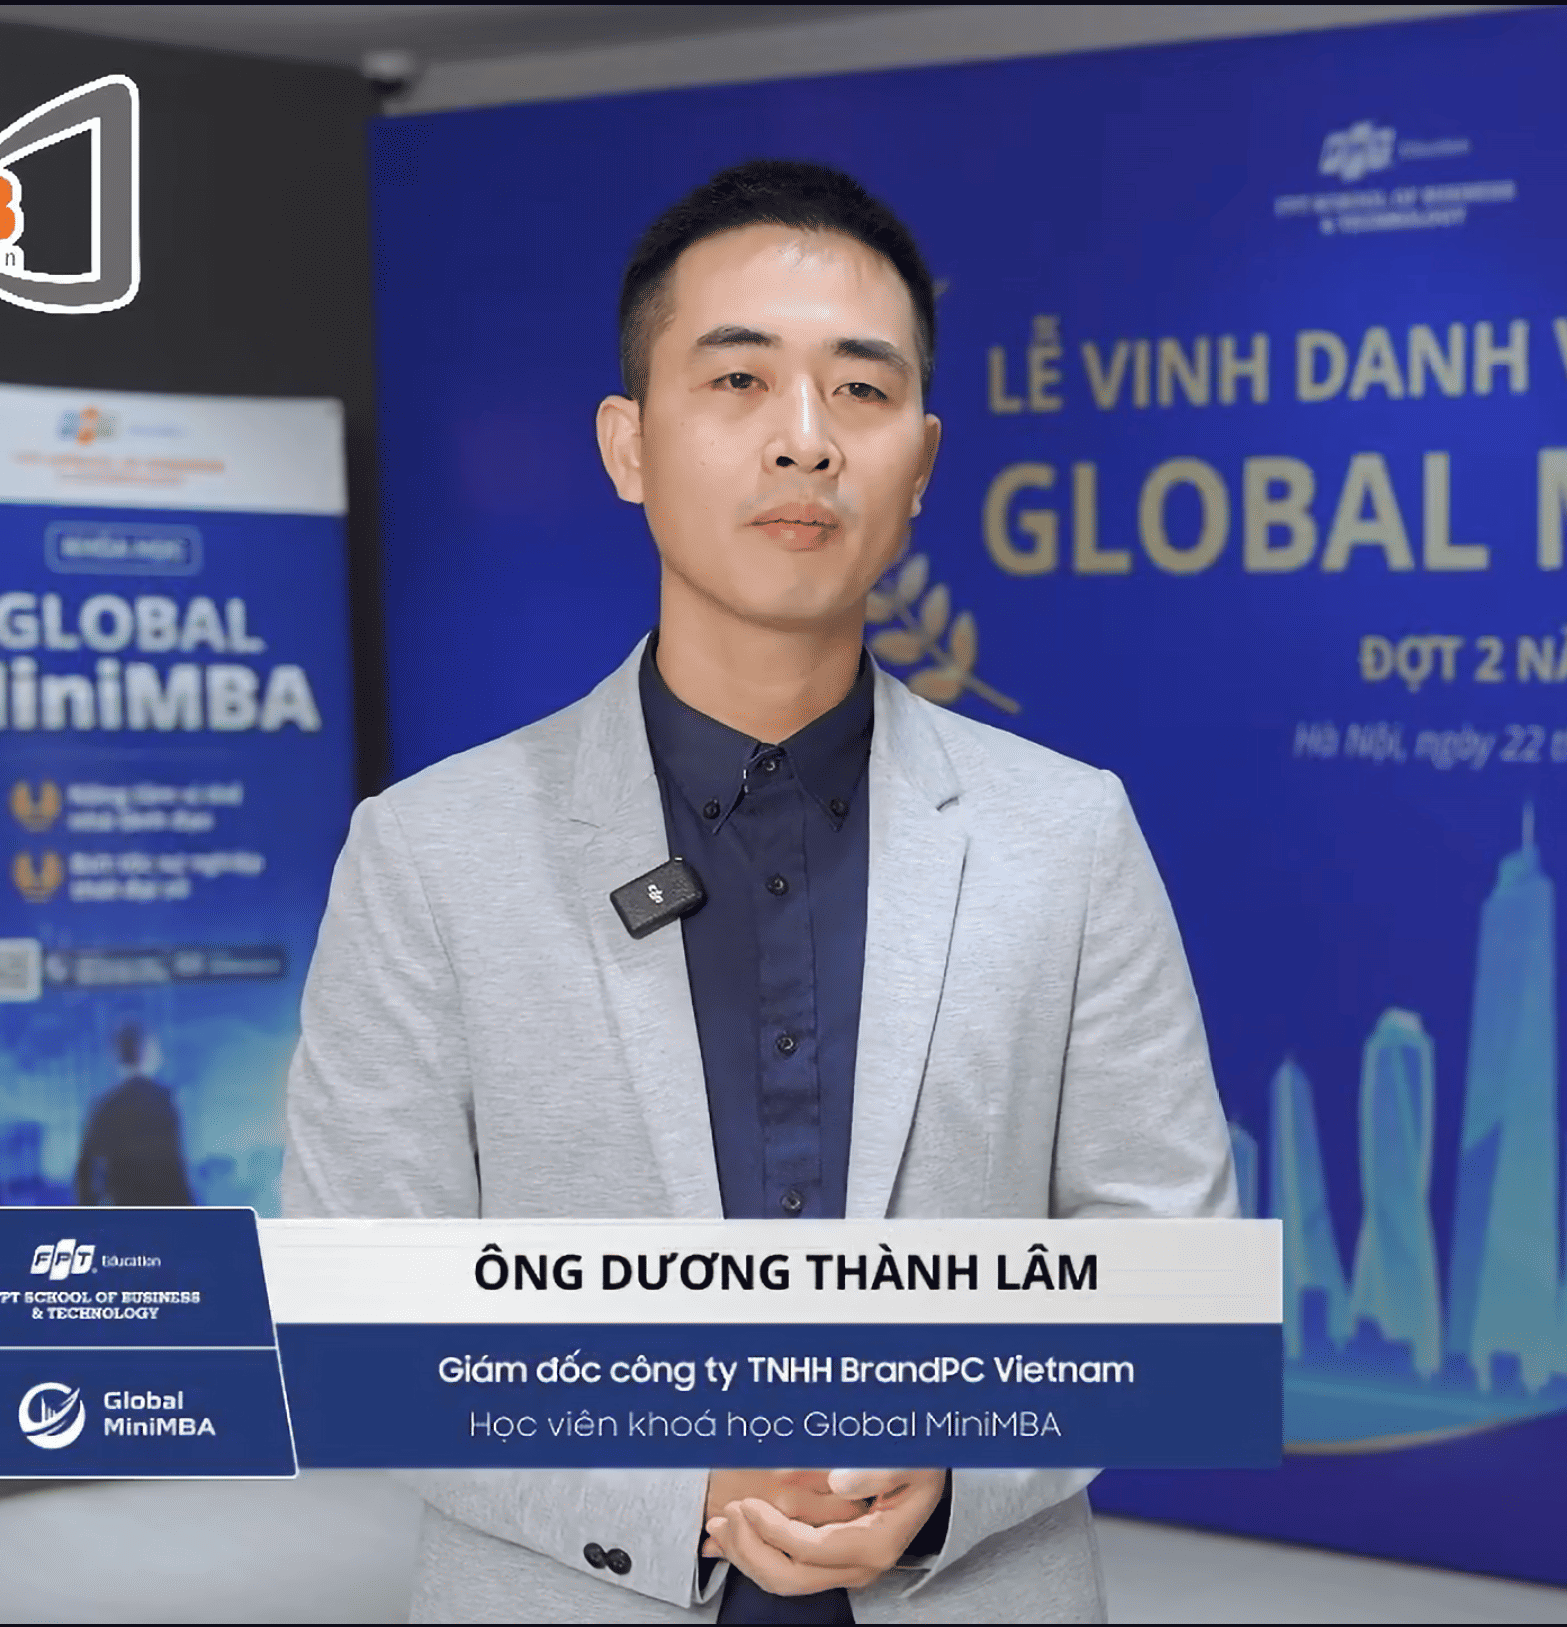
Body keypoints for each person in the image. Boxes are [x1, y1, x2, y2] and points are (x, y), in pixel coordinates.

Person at [281, 159, 1235, 1624]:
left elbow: (1169, 1256)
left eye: (861, 390)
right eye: (737, 380)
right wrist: (674, 1483)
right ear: (629, 444)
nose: (805, 438)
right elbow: (361, 1312)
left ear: (922, 458)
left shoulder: (1068, 832)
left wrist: (960, 1463)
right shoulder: (429, 852)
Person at [76, 1019, 192, 1206]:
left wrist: (91, 1216)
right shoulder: (164, 1101)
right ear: (147, 1050)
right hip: (164, 1212)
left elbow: (85, 1173)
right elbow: (174, 1169)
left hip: (124, 1213)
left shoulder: (105, 1106)